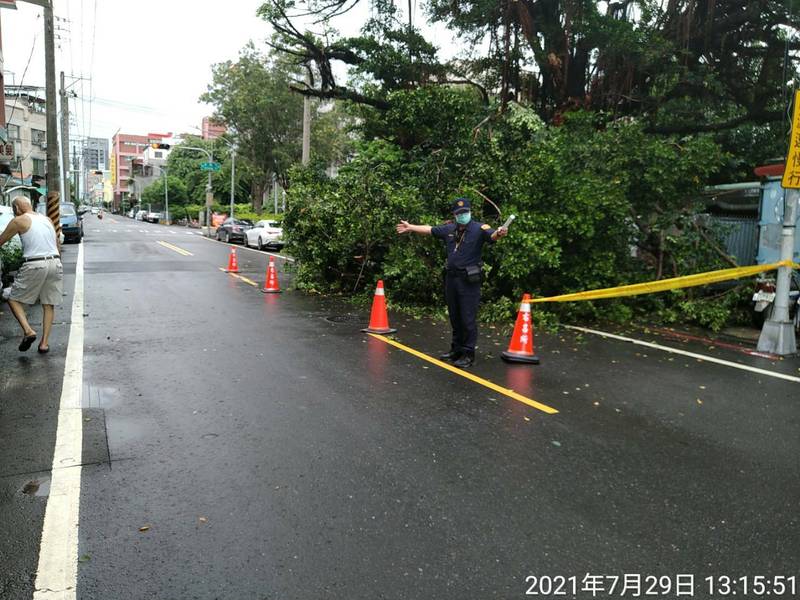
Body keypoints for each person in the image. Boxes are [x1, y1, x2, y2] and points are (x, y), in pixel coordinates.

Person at [396, 198, 508, 368]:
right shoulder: (450, 229)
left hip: (468, 280)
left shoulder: (479, 228)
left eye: (465, 212)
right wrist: (411, 227)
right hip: (452, 279)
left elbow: (493, 236)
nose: (463, 215)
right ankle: (456, 350)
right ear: (454, 215)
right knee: (455, 316)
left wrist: (499, 233)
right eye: (459, 213)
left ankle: (468, 354)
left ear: (470, 212)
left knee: (467, 318)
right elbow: (430, 229)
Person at [0, 196, 63, 353]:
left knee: (12, 297)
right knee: (48, 304)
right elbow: (57, 244)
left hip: (35, 263)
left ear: (17, 208)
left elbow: (1, 240)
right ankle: (44, 344)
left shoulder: (19, 220)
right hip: (55, 262)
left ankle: (28, 331)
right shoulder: (47, 219)